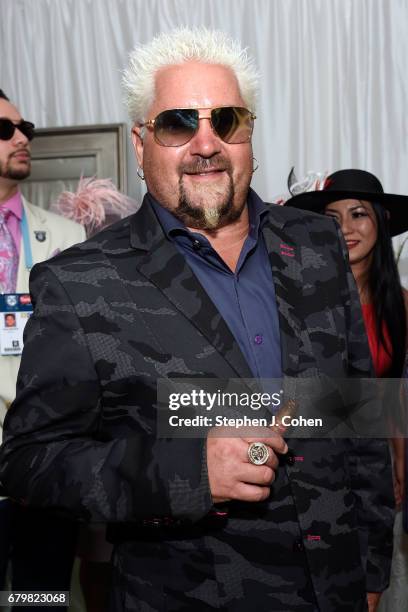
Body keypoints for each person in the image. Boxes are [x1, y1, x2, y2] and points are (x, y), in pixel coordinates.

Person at [0, 29, 395, 612]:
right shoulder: (81, 283)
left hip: (335, 588)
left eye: (226, 120)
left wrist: (372, 567)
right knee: (35, 599)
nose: (205, 143)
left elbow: (358, 414)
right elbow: (31, 462)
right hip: (184, 594)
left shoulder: (316, 244)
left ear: (249, 136)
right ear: (140, 145)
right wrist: (187, 471)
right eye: (178, 123)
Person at [285, 168, 408, 611]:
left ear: (382, 221)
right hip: (315, 463)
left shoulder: (403, 305)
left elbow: (396, 393)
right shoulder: (301, 298)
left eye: (358, 214)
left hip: (375, 470)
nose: (346, 229)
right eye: (333, 218)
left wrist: (397, 460)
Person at [0, 89, 85, 601]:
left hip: (45, 468)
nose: (21, 137)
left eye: (23, 126)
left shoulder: (68, 236)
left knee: (42, 597)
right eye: (3, 129)